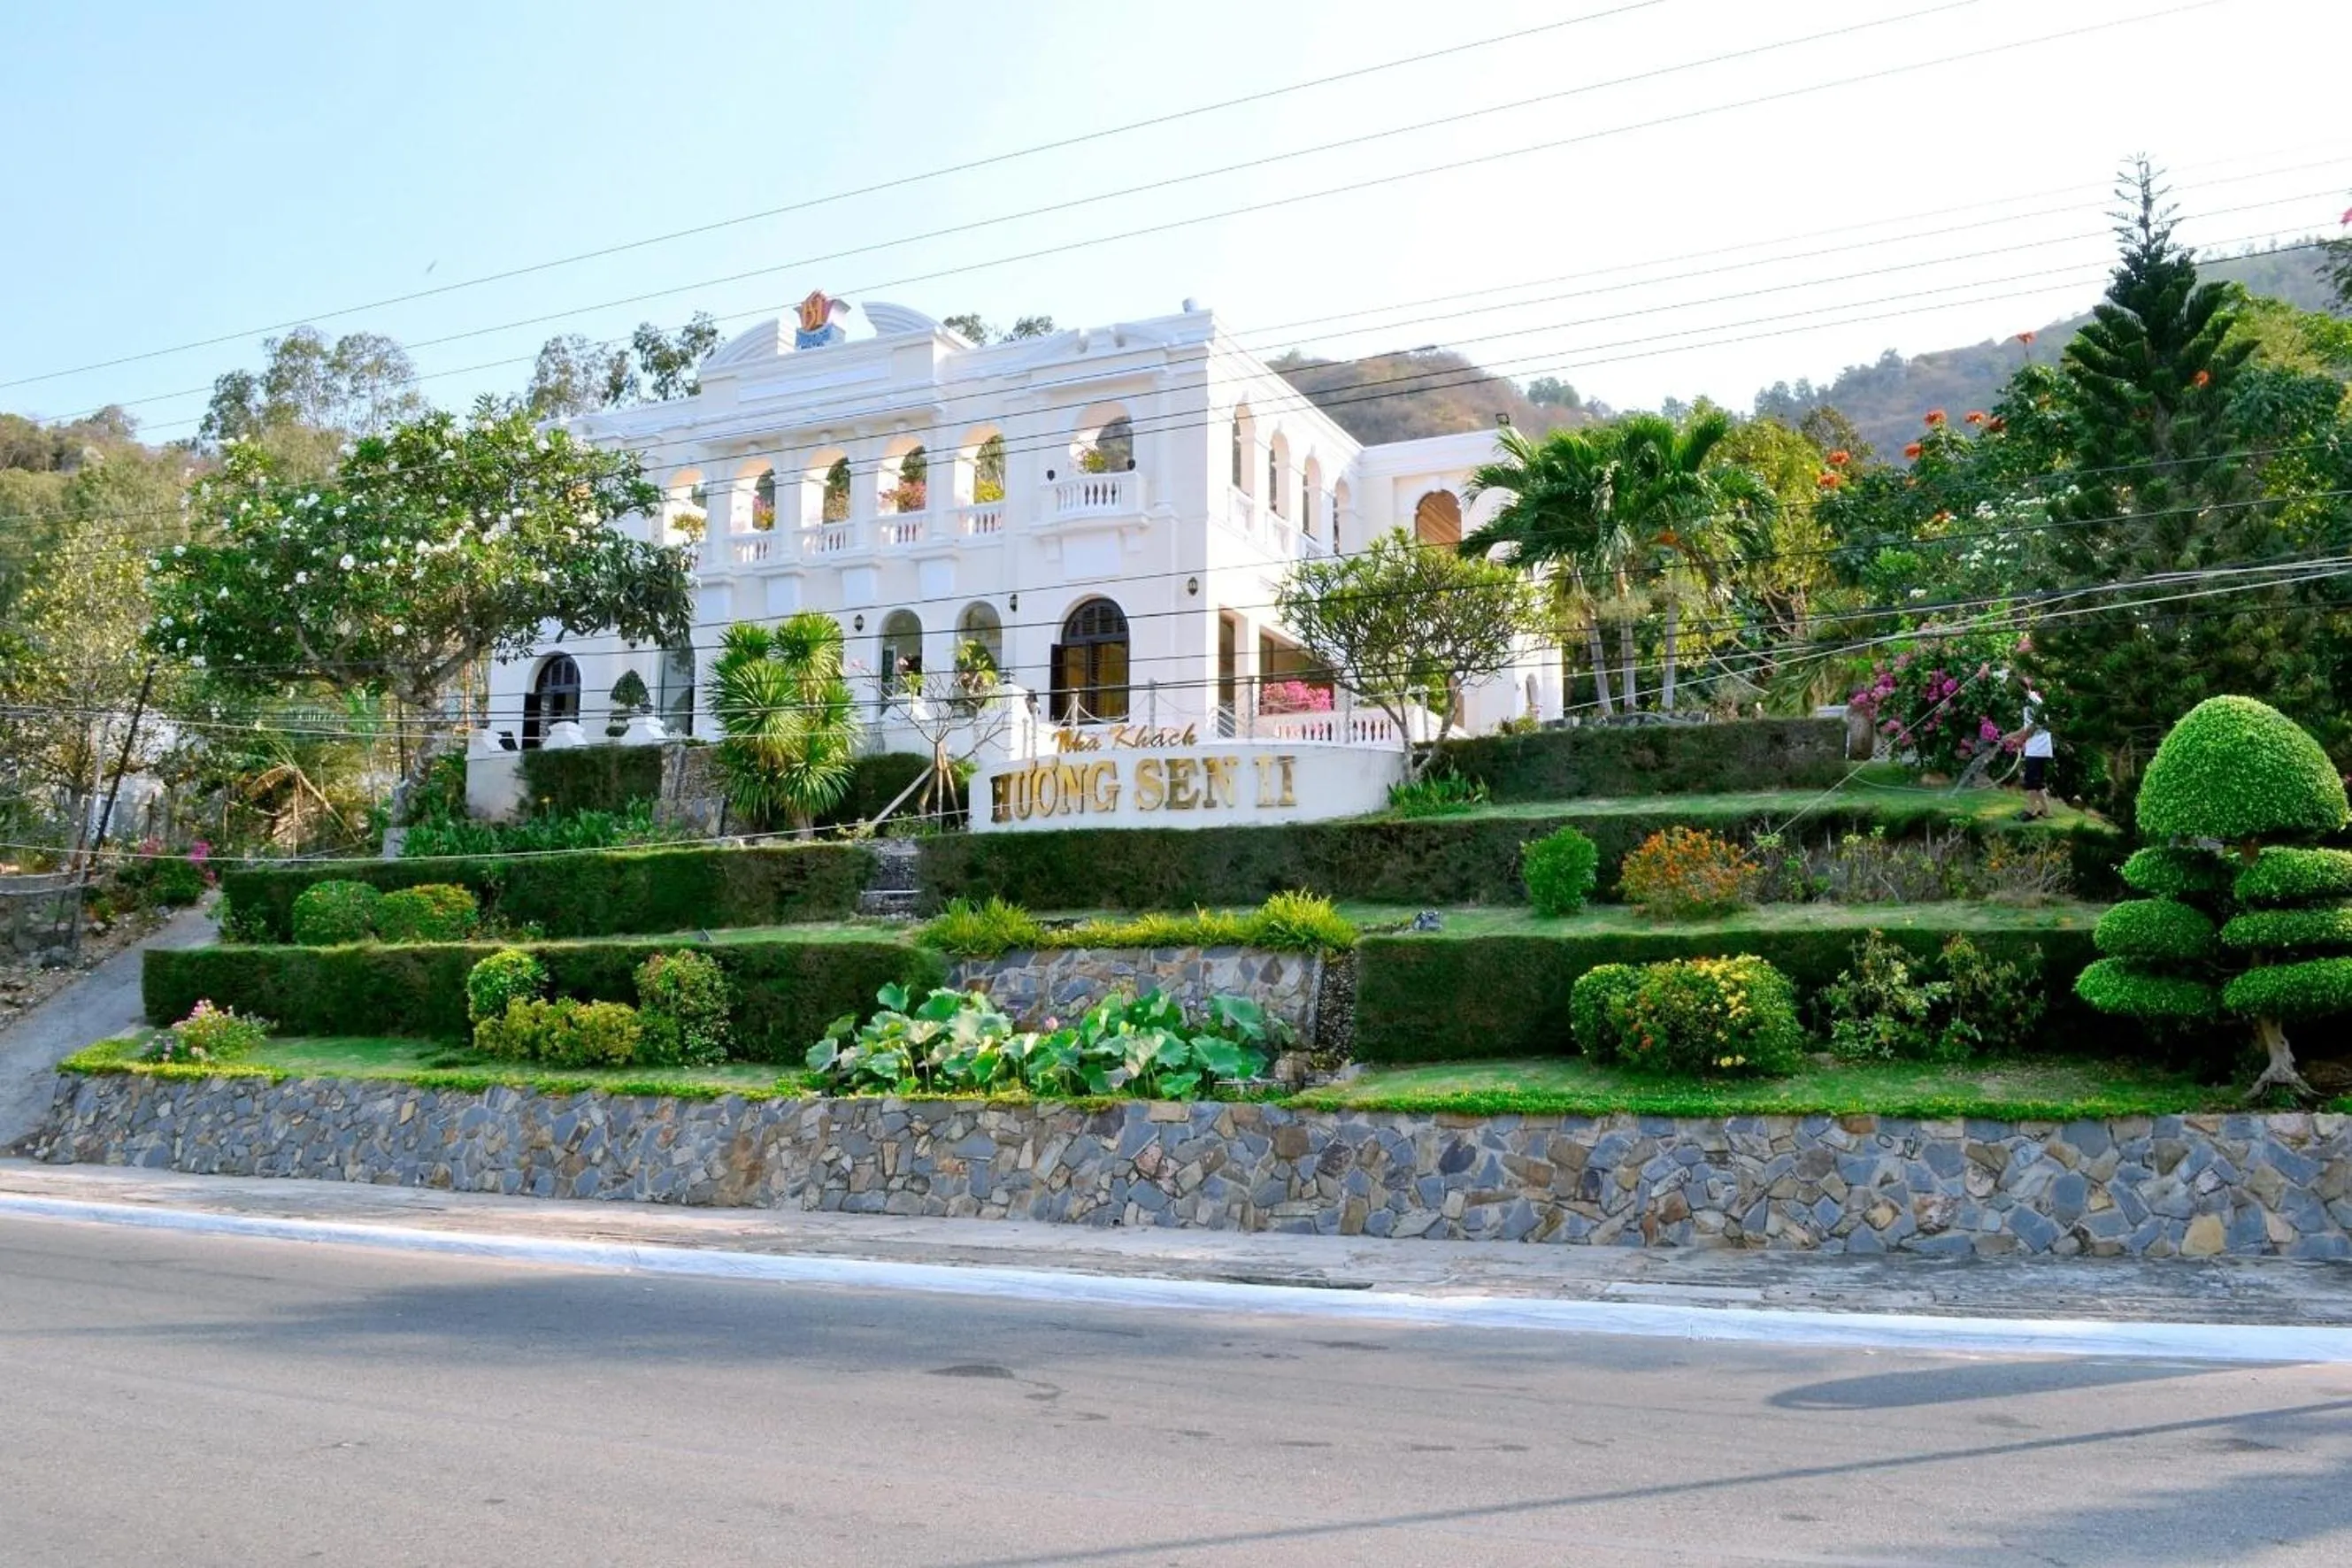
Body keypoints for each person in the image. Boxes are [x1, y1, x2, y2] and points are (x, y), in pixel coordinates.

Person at [2004, 690, 2055, 819]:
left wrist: (2020, 741)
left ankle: (2030, 811)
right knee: (2037, 782)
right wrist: (2011, 735)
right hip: (2038, 748)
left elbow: (2033, 727)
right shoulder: (2030, 702)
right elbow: (2027, 726)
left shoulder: (2032, 702)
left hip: (2038, 748)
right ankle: (2047, 811)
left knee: (2032, 781)